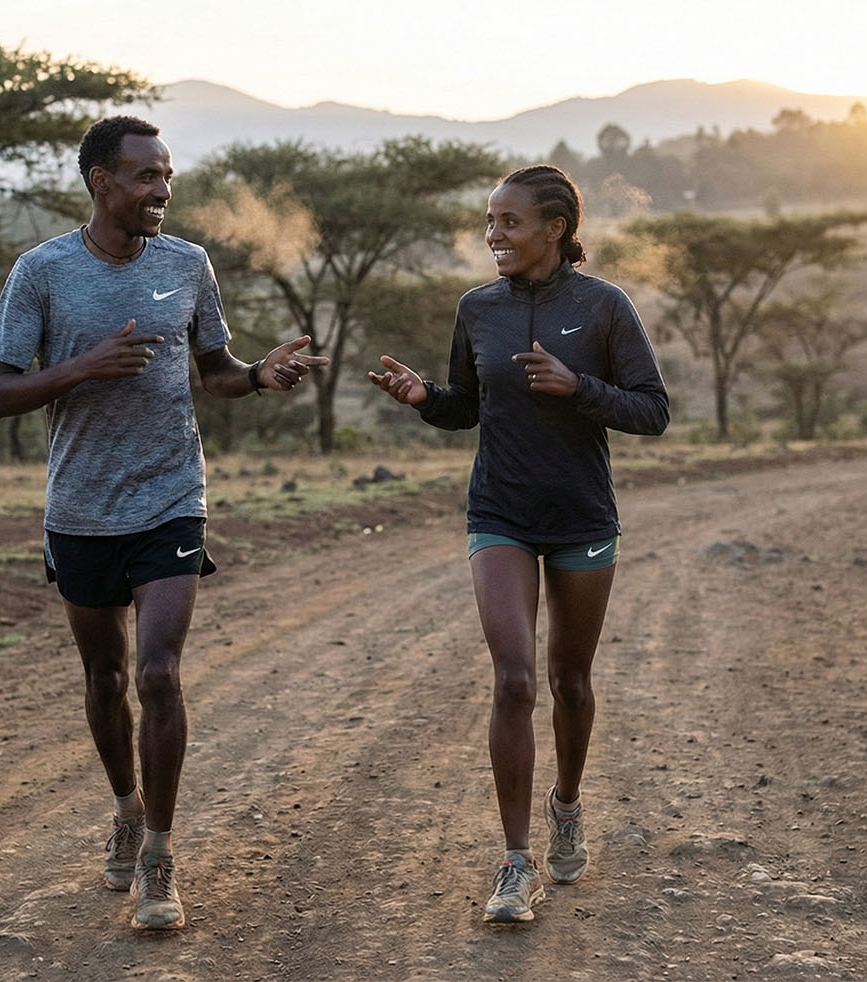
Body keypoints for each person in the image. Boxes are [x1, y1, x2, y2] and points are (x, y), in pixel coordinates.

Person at [0, 116, 327, 931]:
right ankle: (126, 806)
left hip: (172, 496)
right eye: (145, 177)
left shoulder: (188, 264)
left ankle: (161, 860)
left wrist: (261, 376)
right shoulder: (42, 273)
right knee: (105, 679)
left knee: (158, 675)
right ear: (102, 181)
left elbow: (216, 374)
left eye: (166, 175)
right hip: (80, 508)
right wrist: (82, 366)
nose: (162, 191)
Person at [367, 164, 668, 923]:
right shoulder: (478, 309)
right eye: (490, 221)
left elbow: (653, 411)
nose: (492, 234)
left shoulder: (603, 307)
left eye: (508, 222)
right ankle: (514, 863)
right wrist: (424, 400)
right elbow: (466, 406)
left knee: (570, 681)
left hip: (580, 517)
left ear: (556, 229)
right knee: (514, 680)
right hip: (498, 511)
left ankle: (567, 804)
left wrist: (580, 389)